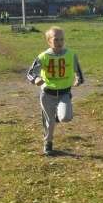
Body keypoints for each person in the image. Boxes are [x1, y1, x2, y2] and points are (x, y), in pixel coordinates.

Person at [27, 27, 84, 155]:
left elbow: (78, 71)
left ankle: (59, 114)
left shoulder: (71, 55)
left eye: (62, 39)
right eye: (56, 39)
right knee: (49, 122)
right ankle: (48, 143)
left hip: (64, 93)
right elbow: (30, 73)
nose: (59, 42)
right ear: (49, 41)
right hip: (47, 94)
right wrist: (36, 79)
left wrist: (78, 79)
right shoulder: (43, 56)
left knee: (66, 117)